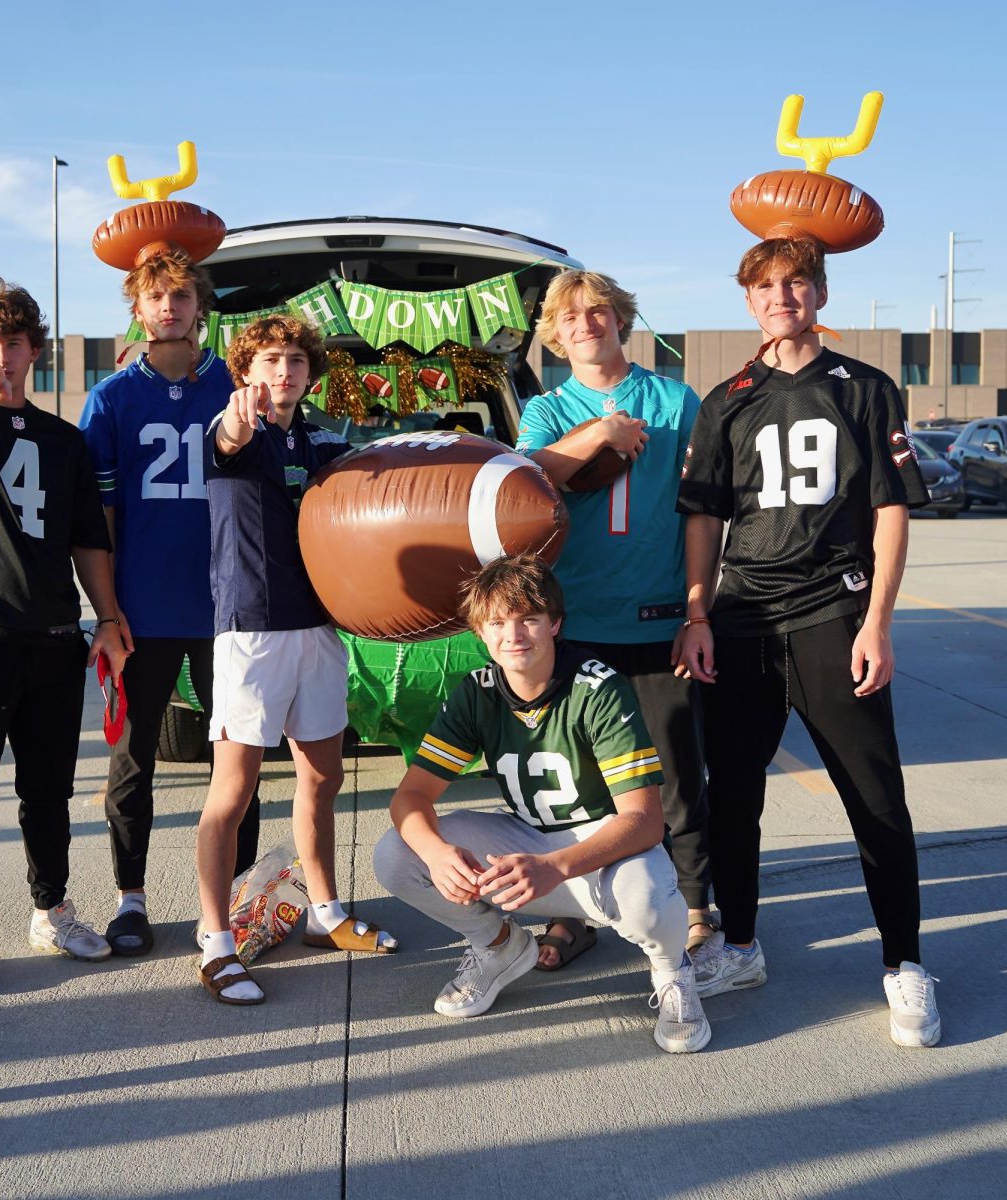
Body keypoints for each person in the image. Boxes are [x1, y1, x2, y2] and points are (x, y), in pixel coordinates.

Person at [675, 237, 941, 1048]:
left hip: (835, 612)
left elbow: (890, 508)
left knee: (875, 799)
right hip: (744, 618)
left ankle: (903, 966)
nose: (780, 296)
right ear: (747, 301)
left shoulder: (865, 388)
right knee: (734, 799)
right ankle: (743, 946)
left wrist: (878, 622)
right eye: (764, 286)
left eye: (794, 282)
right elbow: (704, 515)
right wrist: (696, 613)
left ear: (819, 293)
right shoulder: (727, 397)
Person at [372, 555, 710, 1053]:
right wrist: (438, 855)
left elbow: (644, 820)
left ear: (555, 623)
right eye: (497, 623)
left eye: (528, 618)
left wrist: (556, 866)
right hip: (528, 838)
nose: (514, 635)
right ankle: (498, 946)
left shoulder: (597, 687)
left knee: (647, 898)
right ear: (479, 635)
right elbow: (411, 797)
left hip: (604, 847)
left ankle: (672, 972)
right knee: (397, 854)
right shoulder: (478, 692)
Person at [0, 279, 130, 998]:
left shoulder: (64, 441)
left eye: (12, 345)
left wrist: (105, 619)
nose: (0, 358)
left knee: (48, 792)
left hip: (52, 639)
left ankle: (51, 910)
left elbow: (86, 542)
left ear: (35, 351)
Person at [195, 314, 397, 1005]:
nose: (283, 372)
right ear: (247, 370)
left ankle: (323, 913)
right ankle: (216, 944)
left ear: (310, 373)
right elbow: (228, 440)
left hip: (319, 631)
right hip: (251, 633)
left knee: (323, 777)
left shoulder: (324, 444)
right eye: (270, 360)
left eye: (295, 361)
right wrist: (239, 425)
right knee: (233, 791)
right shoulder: (228, 435)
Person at [515, 270, 715, 968]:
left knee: (673, 774)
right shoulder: (547, 407)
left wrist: (696, 608)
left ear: (621, 319)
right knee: (579, 780)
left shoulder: (672, 398)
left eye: (597, 312)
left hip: (656, 616)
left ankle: (694, 904)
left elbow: (700, 510)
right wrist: (598, 432)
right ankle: (576, 909)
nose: (584, 325)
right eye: (568, 316)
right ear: (553, 332)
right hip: (575, 620)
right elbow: (524, 473)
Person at [79, 249, 260, 956]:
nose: (168, 308)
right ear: (138, 307)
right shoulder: (113, 397)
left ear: (198, 305)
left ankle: (239, 894)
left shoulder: (235, 386)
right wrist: (108, 613)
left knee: (235, 761)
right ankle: (131, 898)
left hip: (230, 607)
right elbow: (101, 518)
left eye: (180, 295)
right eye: (155, 296)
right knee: (131, 760)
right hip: (144, 612)